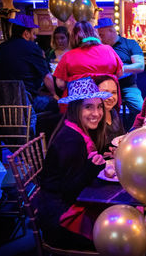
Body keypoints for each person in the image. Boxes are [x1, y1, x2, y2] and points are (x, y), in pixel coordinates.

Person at [37, 77, 110, 250]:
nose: (97, 113)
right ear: (76, 108)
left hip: (59, 206)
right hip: (60, 219)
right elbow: (69, 190)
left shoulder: (75, 130)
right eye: (88, 107)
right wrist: (93, 168)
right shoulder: (71, 140)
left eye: (99, 106)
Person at [54, 21, 123, 113]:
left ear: (74, 37)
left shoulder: (68, 56)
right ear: (95, 33)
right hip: (108, 104)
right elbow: (120, 73)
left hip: (79, 109)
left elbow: (60, 84)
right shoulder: (108, 50)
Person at [0, 14, 58, 103]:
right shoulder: (32, 47)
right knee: (56, 103)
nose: (35, 37)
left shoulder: (0, 47)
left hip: (2, 103)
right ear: (26, 33)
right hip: (26, 102)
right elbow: (47, 77)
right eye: (33, 34)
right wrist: (54, 94)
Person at [95, 17, 145, 130]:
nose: (100, 37)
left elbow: (140, 65)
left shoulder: (129, 44)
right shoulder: (100, 47)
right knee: (96, 109)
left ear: (111, 31)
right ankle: (107, 134)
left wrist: (121, 69)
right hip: (105, 86)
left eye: (102, 34)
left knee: (140, 109)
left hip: (127, 86)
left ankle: (132, 132)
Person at [93, 75, 125, 150]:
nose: (110, 97)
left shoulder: (114, 112)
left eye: (114, 92)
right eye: (105, 92)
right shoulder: (93, 117)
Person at [46, 26, 70, 97]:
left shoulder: (72, 53)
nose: (59, 41)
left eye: (62, 38)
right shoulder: (50, 53)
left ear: (68, 38)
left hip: (68, 88)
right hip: (53, 90)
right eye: (57, 38)